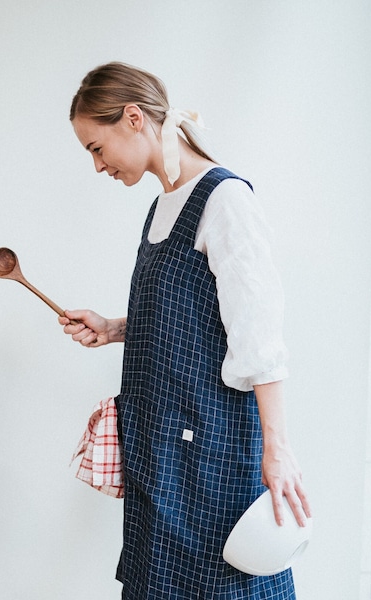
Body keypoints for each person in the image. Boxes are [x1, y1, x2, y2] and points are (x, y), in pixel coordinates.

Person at [59, 62, 312, 599]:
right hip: (161, 451)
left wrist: (279, 450)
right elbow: (194, 316)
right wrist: (113, 327)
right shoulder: (161, 206)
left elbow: (258, 335)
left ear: (133, 119)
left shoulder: (225, 201)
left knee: (224, 586)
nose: (97, 165)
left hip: (211, 450)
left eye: (96, 148)